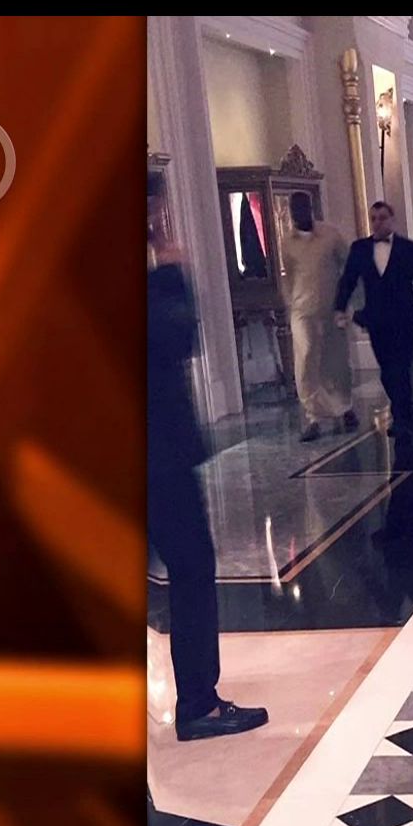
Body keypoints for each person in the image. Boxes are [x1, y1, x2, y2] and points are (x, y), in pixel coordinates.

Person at [145, 172, 268, 742]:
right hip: (157, 452)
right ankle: (199, 704)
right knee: (192, 566)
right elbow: (174, 339)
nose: (162, 219)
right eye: (157, 210)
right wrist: (172, 269)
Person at [333, 201, 413, 437]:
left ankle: (401, 417)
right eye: (373, 218)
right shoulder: (360, 249)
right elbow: (348, 280)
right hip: (377, 320)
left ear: (392, 220)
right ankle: (405, 410)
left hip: (404, 319)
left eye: (382, 218)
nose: (377, 223)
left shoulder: (409, 249)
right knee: (386, 370)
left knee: (401, 367)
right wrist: (340, 308)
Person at [280, 193, 357, 441]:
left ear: (310, 209)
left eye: (302, 208)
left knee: (336, 361)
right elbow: (288, 275)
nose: (298, 214)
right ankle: (313, 416)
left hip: (331, 308)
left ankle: (344, 408)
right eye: (294, 209)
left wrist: (346, 302)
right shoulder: (287, 243)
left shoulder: (330, 236)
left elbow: (349, 265)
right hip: (302, 311)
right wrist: (291, 303)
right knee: (306, 360)